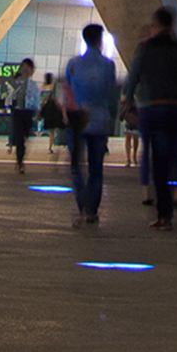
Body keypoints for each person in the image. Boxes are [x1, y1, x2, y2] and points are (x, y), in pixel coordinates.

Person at [123, 7, 177, 229]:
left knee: (158, 161)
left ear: (156, 25)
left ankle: (164, 215)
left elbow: (133, 77)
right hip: (176, 110)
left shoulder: (145, 49)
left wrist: (128, 101)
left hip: (153, 109)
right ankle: (176, 195)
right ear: (172, 25)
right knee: (173, 155)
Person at [61, 25, 118, 225]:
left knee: (76, 165)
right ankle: (91, 210)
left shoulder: (73, 64)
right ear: (99, 40)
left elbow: (68, 89)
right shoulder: (108, 65)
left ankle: (81, 202)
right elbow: (111, 92)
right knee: (96, 168)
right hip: (99, 119)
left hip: (77, 120)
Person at [7, 59, 40, 172]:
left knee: (25, 136)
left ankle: (20, 158)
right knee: (19, 138)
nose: (25, 71)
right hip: (18, 112)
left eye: (28, 68)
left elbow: (36, 99)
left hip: (28, 112)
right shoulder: (17, 84)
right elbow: (10, 97)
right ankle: (20, 161)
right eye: (24, 68)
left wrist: (38, 111)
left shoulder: (33, 85)